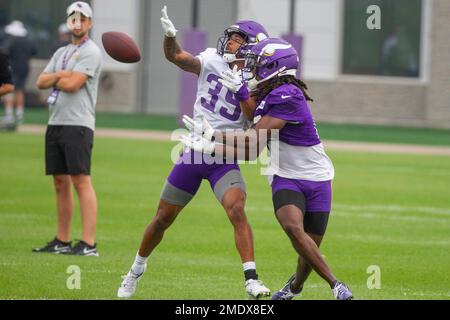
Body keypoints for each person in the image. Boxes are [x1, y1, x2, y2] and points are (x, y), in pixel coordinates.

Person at [180, 38, 354, 300]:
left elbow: (252, 141)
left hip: (317, 178)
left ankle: (293, 288)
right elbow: (252, 144)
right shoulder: (268, 92)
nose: (252, 69)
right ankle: (336, 285)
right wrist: (212, 141)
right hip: (285, 177)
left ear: (276, 67)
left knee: (309, 250)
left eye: (258, 65)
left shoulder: (289, 95)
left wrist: (213, 135)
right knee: (294, 229)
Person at [117, 6, 271, 299]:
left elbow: (253, 120)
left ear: (251, 46)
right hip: (194, 151)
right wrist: (169, 36)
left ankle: (251, 279)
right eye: (231, 37)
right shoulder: (212, 60)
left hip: (223, 154)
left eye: (237, 39)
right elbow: (176, 57)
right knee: (163, 217)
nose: (229, 43)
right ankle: (135, 270)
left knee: (237, 210)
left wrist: (242, 91)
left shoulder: (256, 77)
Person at [33, 1, 102, 256]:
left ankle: (88, 243)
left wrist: (59, 76)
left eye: (83, 19)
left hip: (78, 123)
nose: (79, 23)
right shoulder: (62, 52)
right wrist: (63, 74)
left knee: (81, 181)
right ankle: (62, 240)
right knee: (60, 182)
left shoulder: (91, 51)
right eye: (75, 18)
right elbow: (40, 81)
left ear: (89, 23)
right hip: (56, 122)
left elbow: (74, 84)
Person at [1, 20, 37, 125]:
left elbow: (4, 51)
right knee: (20, 89)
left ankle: (9, 115)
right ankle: (19, 115)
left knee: (9, 89)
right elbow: (34, 51)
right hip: (24, 67)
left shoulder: (11, 40)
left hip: (12, 67)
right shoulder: (28, 41)